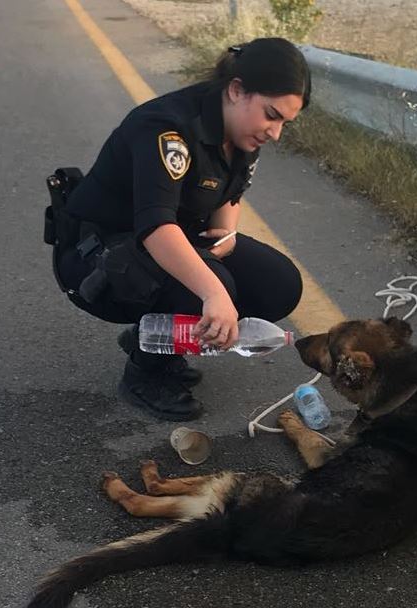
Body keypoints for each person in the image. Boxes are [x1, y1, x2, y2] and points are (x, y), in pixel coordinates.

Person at [49, 37, 310, 421]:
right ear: (236, 90)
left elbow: (229, 192)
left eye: (285, 123)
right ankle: (145, 372)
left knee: (280, 284)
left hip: (157, 244)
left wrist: (224, 235)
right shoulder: (167, 129)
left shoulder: (242, 131)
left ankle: (157, 336)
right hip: (97, 259)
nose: (275, 133)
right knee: (211, 288)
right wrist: (215, 293)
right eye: (272, 115)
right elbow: (156, 228)